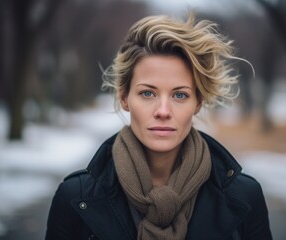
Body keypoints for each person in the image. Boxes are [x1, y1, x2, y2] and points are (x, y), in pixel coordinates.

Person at [45, 13, 273, 240]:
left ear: (198, 103)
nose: (163, 111)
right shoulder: (74, 198)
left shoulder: (245, 197)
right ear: (124, 98)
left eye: (180, 95)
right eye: (147, 93)